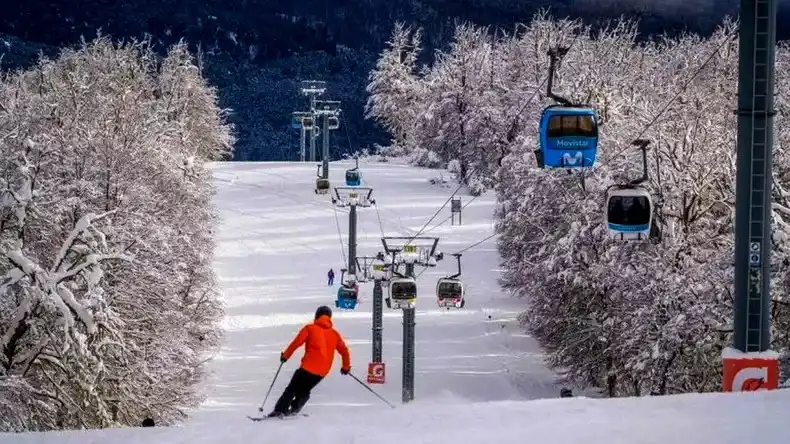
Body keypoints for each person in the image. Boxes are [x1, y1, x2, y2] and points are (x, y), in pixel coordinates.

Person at [267, 305, 351, 417]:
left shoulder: (310, 328)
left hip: (308, 367)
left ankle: (280, 410)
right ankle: (295, 408)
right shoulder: (335, 334)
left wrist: (285, 356)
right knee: (305, 388)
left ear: (317, 316)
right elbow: (344, 351)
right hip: (322, 372)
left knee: (292, 388)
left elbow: (296, 343)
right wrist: (345, 367)